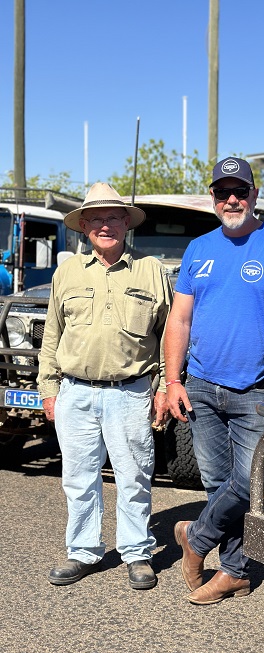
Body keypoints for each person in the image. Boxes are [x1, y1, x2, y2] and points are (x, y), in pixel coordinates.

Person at [165, 157, 264, 604]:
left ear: (254, 196)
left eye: (240, 192)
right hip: (201, 386)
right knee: (216, 483)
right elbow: (179, 319)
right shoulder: (198, 248)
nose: (231, 200)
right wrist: (173, 380)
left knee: (250, 483)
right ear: (212, 198)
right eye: (222, 192)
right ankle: (233, 571)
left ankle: (195, 536)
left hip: (255, 390)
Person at [38, 182, 172, 590]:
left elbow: (170, 336)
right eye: (95, 218)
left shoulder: (151, 271)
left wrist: (165, 387)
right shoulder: (68, 272)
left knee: (133, 477)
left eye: (113, 216)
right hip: (74, 392)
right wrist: (48, 389)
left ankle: (136, 553)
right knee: (78, 478)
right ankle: (83, 551)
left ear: (126, 224)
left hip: (130, 393)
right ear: (83, 227)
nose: (104, 225)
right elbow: (51, 335)